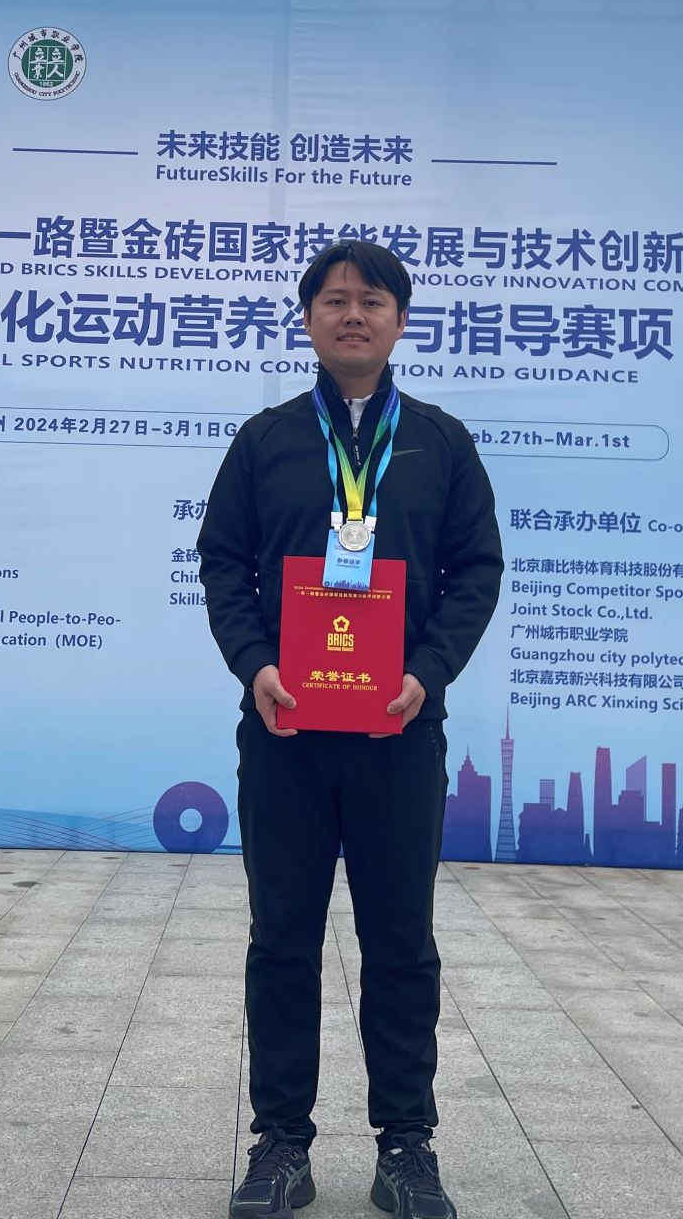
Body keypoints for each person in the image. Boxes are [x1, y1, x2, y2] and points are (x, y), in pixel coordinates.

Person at [198, 240, 504, 1219]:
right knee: (282, 938)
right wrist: (255, 666)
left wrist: (427, 672)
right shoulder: (266, 440)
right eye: (333, 300)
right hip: (284, 733)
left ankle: (406, 1146)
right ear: (308, 320)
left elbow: (476, 571)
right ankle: (280, 1145)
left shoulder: (441, 442)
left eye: (371, 301)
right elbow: (222, 564)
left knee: (401, 942)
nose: (352, 315)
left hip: (397, 734)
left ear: (399, 321)